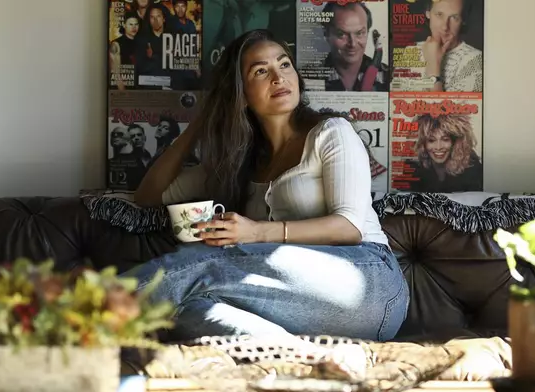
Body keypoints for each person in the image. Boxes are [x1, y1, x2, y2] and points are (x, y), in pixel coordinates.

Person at [128, 29, 408, 342]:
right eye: (261, 71)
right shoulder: (236, 163)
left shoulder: (331, 132)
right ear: (241, 94)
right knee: (187, 308)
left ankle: (89, 304)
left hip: (369, 284)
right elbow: (148, 195)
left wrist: (255, 232)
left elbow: (349, 227)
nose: (278, 77)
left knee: (208, 266)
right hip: (299, 307)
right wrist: (201, 123)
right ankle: (298, 354)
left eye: (284, 65)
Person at [321, 2, 388, 91]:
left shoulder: (388, 75)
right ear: (326, 34)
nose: (353, 44)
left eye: (359, 33)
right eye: (341, 34)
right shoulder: (308, 76)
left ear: (367, 33)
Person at [408, 113, 483, 192]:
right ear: (423, 143)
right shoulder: (412, 167)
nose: (438, 147)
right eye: (431, 140)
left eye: (445, 139)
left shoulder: (470, 165)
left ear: (454, 142)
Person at [420, 0, 482, 92]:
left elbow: (440, 106)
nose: (445, 27)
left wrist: (433, 66)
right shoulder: (410, 51)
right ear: (428, 14)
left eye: (454, 17)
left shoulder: (476, 60)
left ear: (463, 20)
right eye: (439, 14)